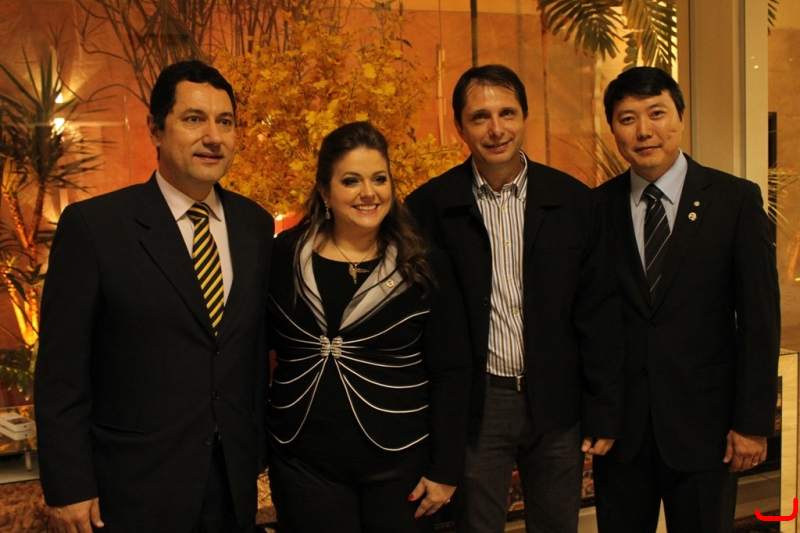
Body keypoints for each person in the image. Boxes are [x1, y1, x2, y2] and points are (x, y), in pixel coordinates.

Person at [35, 60, 274, 533]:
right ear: (155, 129)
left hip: (232, 484)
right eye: (194, 119)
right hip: (133, 488)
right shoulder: (96, 228)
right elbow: (61, 373)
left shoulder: (255, 225)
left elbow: (247, 351)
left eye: (225, 121)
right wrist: (69, 485)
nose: (213, 137)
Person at [404, 64, 624, 533]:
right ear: (459, 127)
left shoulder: (573, 202)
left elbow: (598, 314)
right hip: (479, 403)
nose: (496, 129)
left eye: (507, 113)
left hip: (557, 402)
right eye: (480, 117)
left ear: (525, 117)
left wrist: (603, 408)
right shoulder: (430, 207)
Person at [592, 66, 780, 533]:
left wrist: (753, 423)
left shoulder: (734, 200)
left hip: (708, 429)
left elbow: (759, 320)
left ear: (680, 117)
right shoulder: (597, 207)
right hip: (622, 434)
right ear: (613, 129)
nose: (644, 131)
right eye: (628, 118)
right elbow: (591, 319)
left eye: (657, 113)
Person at [265, 121, 472, 533]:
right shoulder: (284, 256)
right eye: (351, 180)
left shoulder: (423, 263)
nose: (369, 192)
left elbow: (452, 372)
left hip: (401, 463)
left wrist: (446, 468)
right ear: (325, 192)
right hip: (303, 463)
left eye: (379, 179)